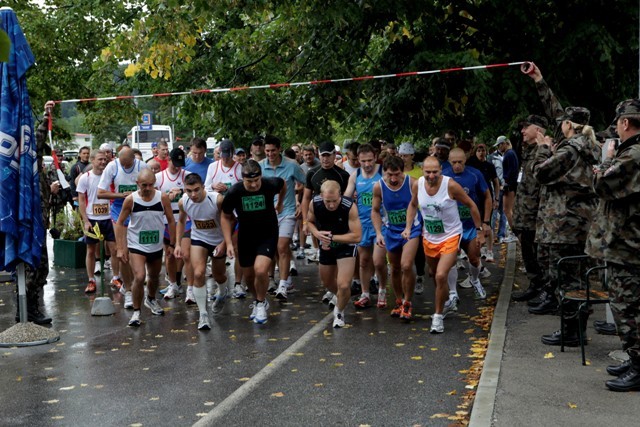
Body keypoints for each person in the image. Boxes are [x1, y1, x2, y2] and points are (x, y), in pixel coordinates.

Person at [525, 64, 600, 351]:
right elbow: (556, 112)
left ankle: (571, 331)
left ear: (570, 126)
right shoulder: (591, 144)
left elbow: (540, 173)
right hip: (581, 224)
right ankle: (574, 329)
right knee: (577, 278)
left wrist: (545, 148)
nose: (560, 127)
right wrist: (539, 81)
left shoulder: (570, 149)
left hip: (565, 225)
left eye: (563, 124)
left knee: (565, 279)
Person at [587, 99, 640, 391]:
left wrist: (606, 159)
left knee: (626, 307)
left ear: (625, 123)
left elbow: (602, 185)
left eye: (618, 123)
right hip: (627, 242)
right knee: (627, 305)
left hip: (629, 245)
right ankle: (635, 360)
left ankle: (639, 365)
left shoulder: (631, 155)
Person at [405, 157, 484, 334]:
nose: (431, 176)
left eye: (435, 172)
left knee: (441, 275)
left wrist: (479, 230)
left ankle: (438, 317)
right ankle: (448, 301)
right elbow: (412, 205)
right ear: (422, 170)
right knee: (433, 274)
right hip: (430, 237)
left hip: (451, 235)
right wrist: (408, 226)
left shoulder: (450, 185)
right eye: (428, 172)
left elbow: (471, 205)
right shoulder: (418, 184)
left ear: (441, 169)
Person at [221, 160, 285, 324]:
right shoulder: (235, 191)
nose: (254, 184)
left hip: (268, 234)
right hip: (246, 236)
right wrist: (228, 242)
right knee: (248, 276)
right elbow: (225, 216)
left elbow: (283, 184)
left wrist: (280, 202)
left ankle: (261, 303)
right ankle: (258, 300)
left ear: (261, 176)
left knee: (261, 270)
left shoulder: (270, 183)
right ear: (242, 179)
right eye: (249, 181)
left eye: (256, 180)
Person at [115, 169, 176, 327]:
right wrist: (121, 248)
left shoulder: (162, 197)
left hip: (156, 244)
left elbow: (171, 220)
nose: (148, 188)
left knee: (154, 277)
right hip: (137, 244)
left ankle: (151, 299)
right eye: (144, 185)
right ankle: (136, 312)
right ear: (137, 184)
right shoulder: (131, 200)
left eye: (151, 185)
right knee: (140, 276)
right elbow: (120, 222)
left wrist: (172, 244)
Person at [14, 101, 56, 324]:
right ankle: (26, 310)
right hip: (28, 226)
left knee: (42, 269)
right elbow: (37, 139)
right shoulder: (23, 164)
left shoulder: (36, 169)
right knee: (33, 268)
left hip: (40, 224)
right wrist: (45, 116)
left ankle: (30, 308)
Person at [97, 146, 148, 309]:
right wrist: (121, 195)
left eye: (128, 164)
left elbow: (153, 188)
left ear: (134, 159)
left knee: (139, 250)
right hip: (119, 207)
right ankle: (127, 289)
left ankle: (139, 287)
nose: (126, 167)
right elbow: (100, 193)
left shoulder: (142, 166)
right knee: (122, 252)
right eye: (123, 164)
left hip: (139, 206)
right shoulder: (113, 166)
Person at [306, 180, 361, 328]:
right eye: (327, 201)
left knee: (343, 285)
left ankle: (339, 311)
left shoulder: (349, 207)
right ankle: (343, 297)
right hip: (326, 246)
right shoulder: (315, 204)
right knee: (327, 282)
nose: (331, 205)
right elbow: (309, 222)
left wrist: (332, 238)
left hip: (345, 244)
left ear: (340, 195)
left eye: (334, 201)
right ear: (321, 196)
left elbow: (357, 236)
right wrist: (317, 233)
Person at [174, 174, 227, 330]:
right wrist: (177, 244)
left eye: (196, 190)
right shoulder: (184, 202)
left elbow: (229, 220)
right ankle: (203, 314)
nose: (193, 195)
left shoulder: (216, 200)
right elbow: (182, 221)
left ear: (204, 187)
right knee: (198, 273)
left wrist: (225, 242)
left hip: (218, 239)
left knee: (219, 275)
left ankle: (223, 292)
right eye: (189, 191)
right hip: (198, 239)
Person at [373, 156, 422, 319]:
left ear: (403, 172)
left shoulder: (412, 183)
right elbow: (375, 211)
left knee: (406, 265)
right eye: (389, 175)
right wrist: (379, 233)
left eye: (397, 174)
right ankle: (399, 301)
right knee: (394, 267)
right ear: (383, 173)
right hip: (391, 230)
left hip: (412, 228)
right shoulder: (378, 187)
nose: (393, 179)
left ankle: (408, 303)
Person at [259, 135, 306, 300]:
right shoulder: (260, 167)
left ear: (279, 149)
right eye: (267, 151)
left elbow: (307, 183)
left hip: (287, 212)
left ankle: (283, 285)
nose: (270, 154)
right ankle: (288, 281)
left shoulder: (292, 166)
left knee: (282, 246)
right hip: (267, 214)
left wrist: (301, 203)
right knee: (273, 250)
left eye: (273, 150)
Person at [442, 148, 490, 306]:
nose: (457, 166)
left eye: (460, 162)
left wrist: (486, 222)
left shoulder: (474, 174)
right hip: (451, 227)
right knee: (451, 260)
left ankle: (475, 280)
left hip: (471, 226)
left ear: (466, 160)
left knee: (474, 258)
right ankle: (453, 292)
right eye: (453, 162)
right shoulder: (443, 176)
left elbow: (487, 196)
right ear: (449, 161)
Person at [344, 143, 387, 309]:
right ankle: (365, 293)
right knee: (363, 261)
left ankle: (382, 290)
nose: (367, 164)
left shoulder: (383, 172)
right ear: (358, 160)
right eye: (363, 161)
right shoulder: (355, 176)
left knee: (378, 261)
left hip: (381, 224)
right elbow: (347, 198)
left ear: (375, 158)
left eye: (370, 160)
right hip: (362, 224)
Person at [511, 115, 547, 302]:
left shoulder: (545, 151)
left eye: (526, 127)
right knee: (528, 251)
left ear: (538, 129)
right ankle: (535, 284)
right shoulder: (527, 151)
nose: (522, 131)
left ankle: (544, 288)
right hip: (525, 212)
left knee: (538, 253)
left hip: (537, 214)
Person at [301, 141, 351, 264]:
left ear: (334, 155)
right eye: (323, 155)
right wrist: (305, 222)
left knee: (339, 249)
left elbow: (348, 199)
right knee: (325, 249)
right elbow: (306, 198)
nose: (325, 158)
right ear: (319, 155)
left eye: (328, 155)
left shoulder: (343, 175)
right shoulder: (312, 174)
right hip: (319, 216)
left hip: (339, 217)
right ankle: (321, 254)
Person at [77, 149, 115, 293]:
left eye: (105, 159)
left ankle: (116, 277)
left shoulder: (109, 177)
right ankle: (91, 280)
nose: (103, 162)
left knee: (113, 249)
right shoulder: (85, 178)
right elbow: (81, 200)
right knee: (91, 250)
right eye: (100, 159)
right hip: (93, 218)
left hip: (109, 218)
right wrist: (86, 220)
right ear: (92, 161)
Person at [155, 148, 189, 300]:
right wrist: (167, 197)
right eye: (175, 164)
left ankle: (188, 286)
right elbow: (154, 200)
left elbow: (198, 192)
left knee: (184, 253)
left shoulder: (187, 176)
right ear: (168, 159)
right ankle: (173, 283)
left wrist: (183, 192)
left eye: (180, 164)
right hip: (167, 220)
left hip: (185, 219)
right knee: (169, 255)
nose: (177, 167)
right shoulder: (159, 177)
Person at [398, 141, 427, 294]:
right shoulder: (396, 172)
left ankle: (420, 275)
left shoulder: (419, 172)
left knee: (419, 247)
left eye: (406, 155)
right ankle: (403, 274)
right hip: (400, 213)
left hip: (418, 213)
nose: (403, 158)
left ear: (412, 156)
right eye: (401, 155)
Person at [466, 143, 500, 262]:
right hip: (473, 198)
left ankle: (490, 251)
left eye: (483, 150)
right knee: (476, 224)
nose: (481, 153)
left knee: (487, 224)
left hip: (487, 197)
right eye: (479, 150)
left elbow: (496, 183)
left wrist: (496, 198)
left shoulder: (489, 166)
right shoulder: (471, 164)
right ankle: (478, 250)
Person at [495, 136, 519, 242]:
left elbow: (512, 171)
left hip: (509, 185)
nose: (499, 148)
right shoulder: (511, 153)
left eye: (499, 145)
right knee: (508, 210)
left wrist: (507, 184)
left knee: (507, 210)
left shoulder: (509, 154)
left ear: (504, 144)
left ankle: (515, 233)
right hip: (510, 184)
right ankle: (514, 232)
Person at [68, 146, 91, 210]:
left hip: (90, 195)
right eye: (84, 153)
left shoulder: (92, 166)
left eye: (87, 153)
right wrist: (75, 196)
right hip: (79, 196)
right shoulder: (75, 167)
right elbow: (72, 182)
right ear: (80, 154)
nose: (86, 155)